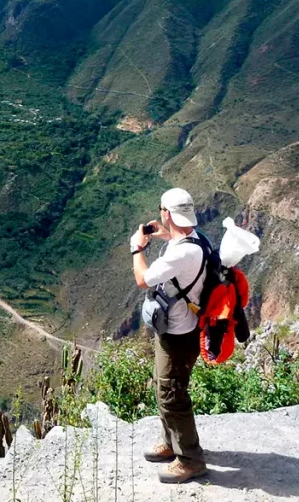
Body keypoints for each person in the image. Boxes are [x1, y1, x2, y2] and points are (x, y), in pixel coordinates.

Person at [129, 187, 208, 484]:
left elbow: (142, 279)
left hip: (178, 334)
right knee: (166, 388)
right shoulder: (195, 240)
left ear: (166, 213)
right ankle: (172, 443)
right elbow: (181, 245)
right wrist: (163, 234)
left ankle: (190, 459)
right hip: (183, 329)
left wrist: (137, 248)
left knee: (172, 396)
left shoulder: (183, 253)